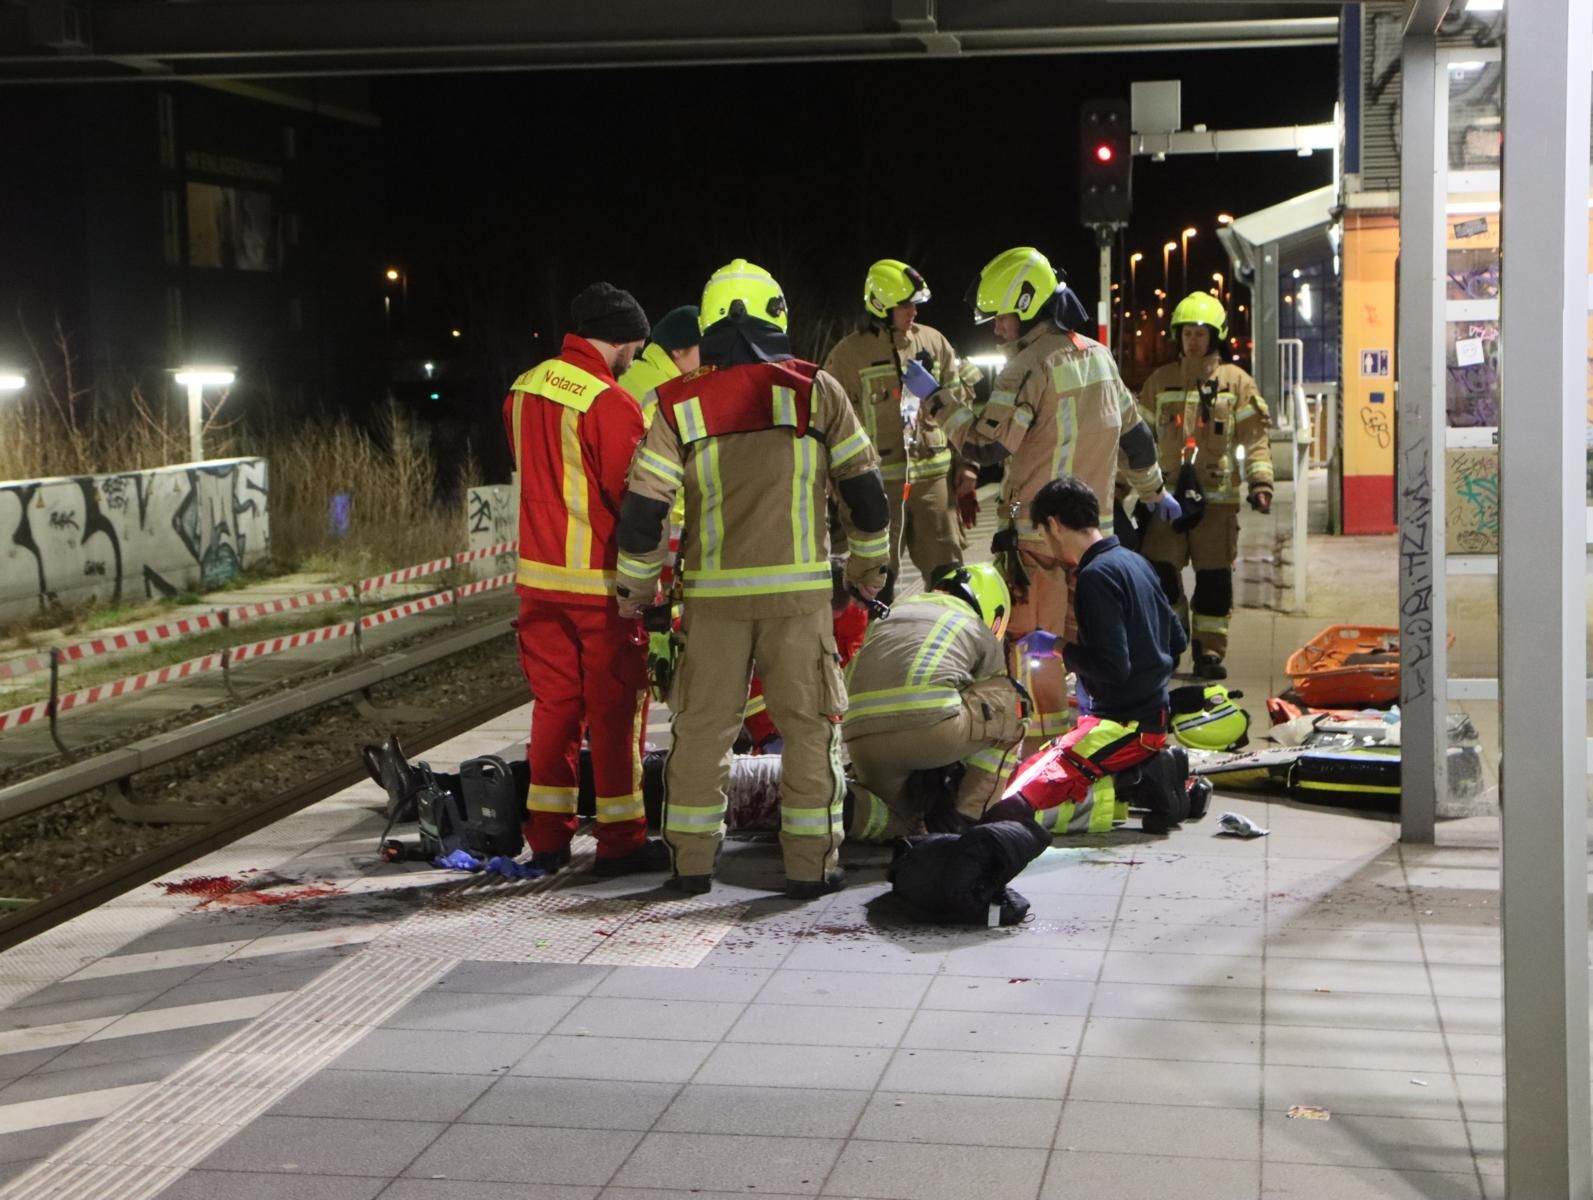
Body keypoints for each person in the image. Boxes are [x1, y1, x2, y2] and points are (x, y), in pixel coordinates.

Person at [613, 259, 891, 899]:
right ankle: (809, 866)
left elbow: (643, 513)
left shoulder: (676, 405)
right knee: (810, 729)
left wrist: (637, 593)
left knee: (702, 731)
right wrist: (869, 571)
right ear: (776, 316)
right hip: (798, 602)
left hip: (711, 604)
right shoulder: (817, 391)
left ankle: (689, 864)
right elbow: (866, 496)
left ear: (709, 324)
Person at [915, 247, 1175, 734]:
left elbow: (985, 447)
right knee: (1091, 653)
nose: (997, 328)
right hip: (1094, 541)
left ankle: (1044, 764)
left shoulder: (1027, 368)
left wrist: (934, 398)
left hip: (1035, 538)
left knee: (1035, 653)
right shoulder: (1099, 357)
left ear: (1029, 307)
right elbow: (1137, 440)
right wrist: (1155, 491)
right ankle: (1099, 739)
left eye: (1002, 318)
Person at [505, 282, 668, 877]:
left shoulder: (522, 389)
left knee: (553, 709)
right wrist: (649, 585)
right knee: (615, 711)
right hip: (597, 588)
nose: (635, 359)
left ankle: (546, 838)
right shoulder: (609, 402)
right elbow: (634, 500)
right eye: (636, 346)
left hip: (536, 582)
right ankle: (621, 841)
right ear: (622, 338)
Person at [1002, 476, 1189, 835]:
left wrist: (1057, 647)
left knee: (1017, 801)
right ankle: (1147, 772)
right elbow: (1177, 639)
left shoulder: (1094, 577)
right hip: (1153, 716)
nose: (1044, 541)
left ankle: (1143, 777)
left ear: (1055, 524)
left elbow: (1112, 668)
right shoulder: (1135, 562)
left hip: (1121, 726)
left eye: (1042, 532)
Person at [822, 260, 983, 600]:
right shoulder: (848, 356)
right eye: (905, 305)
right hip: (878, 492)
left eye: (915, 304)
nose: (914, 312)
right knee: (876, 584)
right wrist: (834, 489)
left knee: (950, 580)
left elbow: (963, 409)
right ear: (880, 306)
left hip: (933, 487)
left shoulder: (934, 342)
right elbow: (829, 425)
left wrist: (969, 466)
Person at [1136, 293, 1273, 679]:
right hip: (1165, 501)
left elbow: (1256, 440)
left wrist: (1260, 482)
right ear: (1177, 337)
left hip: (1218, 504)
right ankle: (1172, 642)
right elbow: (1135, 439)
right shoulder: (1159, 383)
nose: (1193, 341)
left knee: (1214, 582)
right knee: (1160, 575)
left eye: (1200, 334)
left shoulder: (1237, 383)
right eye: (1187, 333)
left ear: (1215, 337)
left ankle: (1209, 653)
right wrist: (1117, 489)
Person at [842, 562, 1029, 842]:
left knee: (900, 819)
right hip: (929, 732)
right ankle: (968, 819)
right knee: (1013, 705)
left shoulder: (893, 613)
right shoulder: (976, 626)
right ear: (994, 612)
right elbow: (992, 702)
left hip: (862, 740)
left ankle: (842, 812)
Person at [617, 305, 703, 426]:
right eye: (703, 346)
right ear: (677, 349)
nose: (709, 353)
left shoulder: (629, 373)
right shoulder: (674, 396)